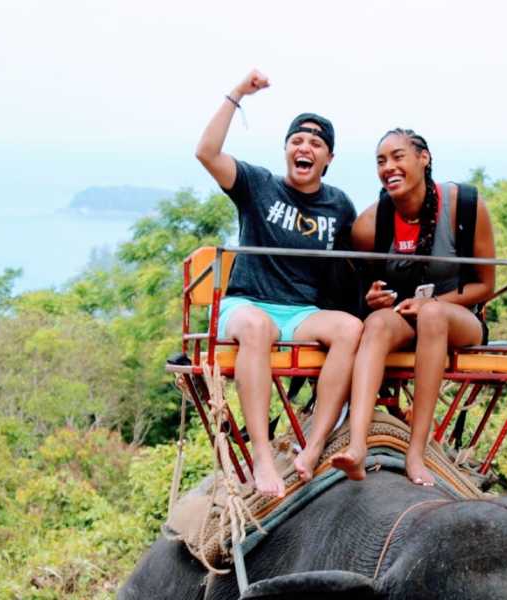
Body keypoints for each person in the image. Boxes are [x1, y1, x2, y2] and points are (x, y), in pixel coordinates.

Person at [195, 69, 362, 497]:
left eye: (316, 144)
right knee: (257, 329)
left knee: (350, 329)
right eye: (297, 141)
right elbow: (206, 152)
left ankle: (316, 444)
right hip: (247, 305)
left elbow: (349, 269)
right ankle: (264, 460)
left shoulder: (338, 205)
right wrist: (237, 94)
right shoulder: (258, 185)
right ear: (287, 149)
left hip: (301, 313)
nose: (305, 148)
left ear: (328, 159)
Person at [331, 128, 496, 485]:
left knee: (433, 315)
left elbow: (486, 284)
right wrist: (372, 298)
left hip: (459, 314)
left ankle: (416, 453)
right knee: (376, 323)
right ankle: (356, 445)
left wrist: (431, 303)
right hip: (405, 315)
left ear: (424, 158)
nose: (388, 166)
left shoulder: (465, 207)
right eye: (380, 161)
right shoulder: (370, 225)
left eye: (398, 156)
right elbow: (364, 289)